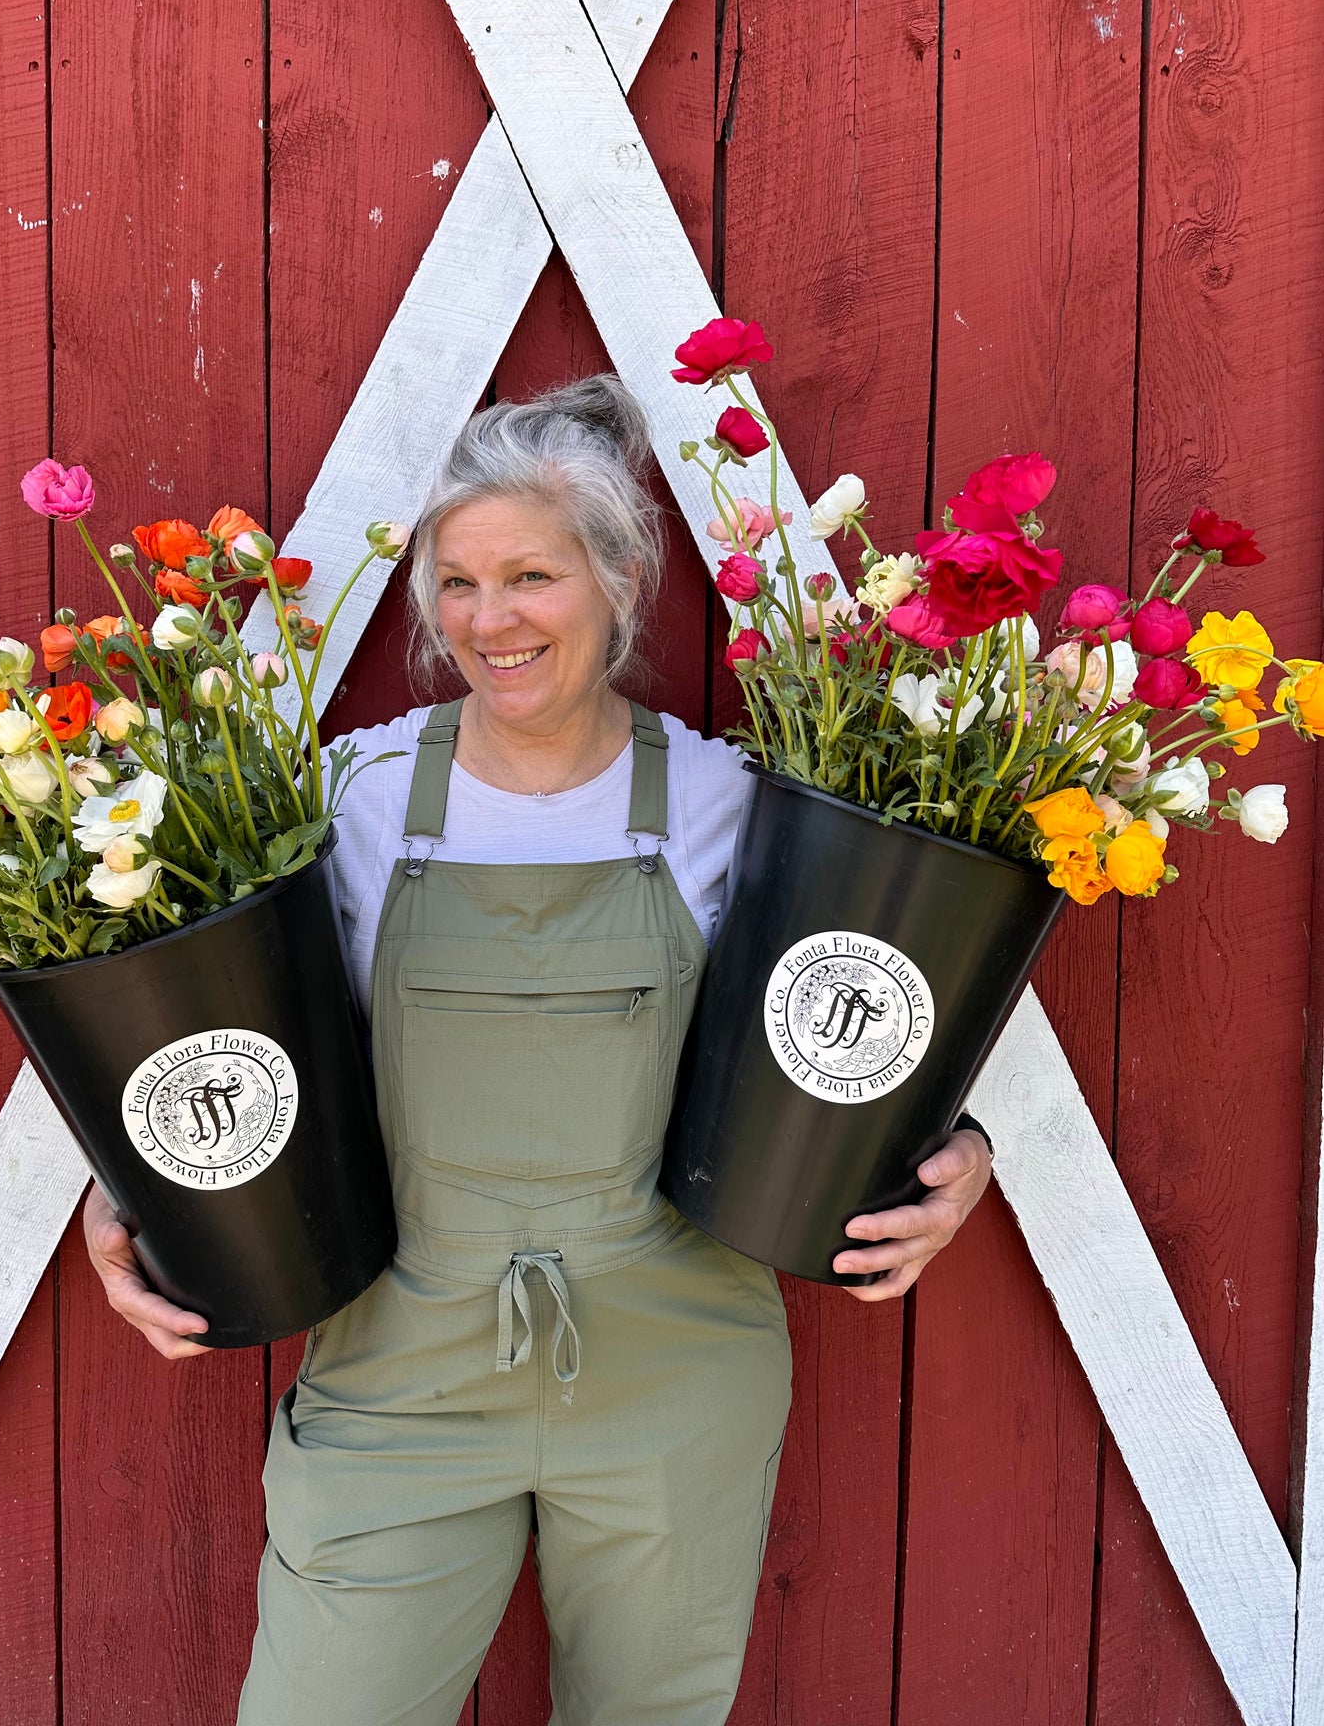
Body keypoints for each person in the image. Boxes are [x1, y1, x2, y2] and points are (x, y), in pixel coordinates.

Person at [82, 377, 994, 1724]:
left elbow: (875, 1012)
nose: (487, 621)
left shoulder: (728, 801)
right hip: (401, 1366)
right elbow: (217, 1037)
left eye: (528, 575)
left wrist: (960, 1152)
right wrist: (133, 1200)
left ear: (619, 577)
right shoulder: (356, 801)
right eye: (455, 584)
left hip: (675, 1373)